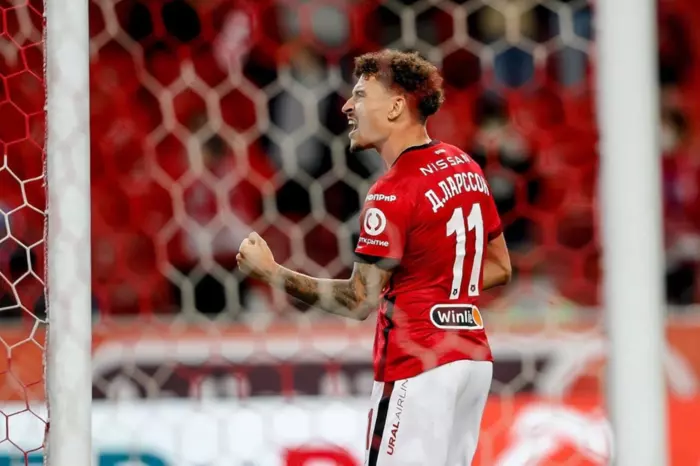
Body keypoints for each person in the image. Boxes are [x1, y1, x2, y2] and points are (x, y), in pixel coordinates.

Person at [237, 49, 512, 466]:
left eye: (361, 95)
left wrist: (272, 272)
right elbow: (499, 266)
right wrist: (434, 286)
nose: (347, 106)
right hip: (472, 360)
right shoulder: (464, 165)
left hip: (417, 363)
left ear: (396, 107)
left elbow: (358, 301)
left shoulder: (391, 192)